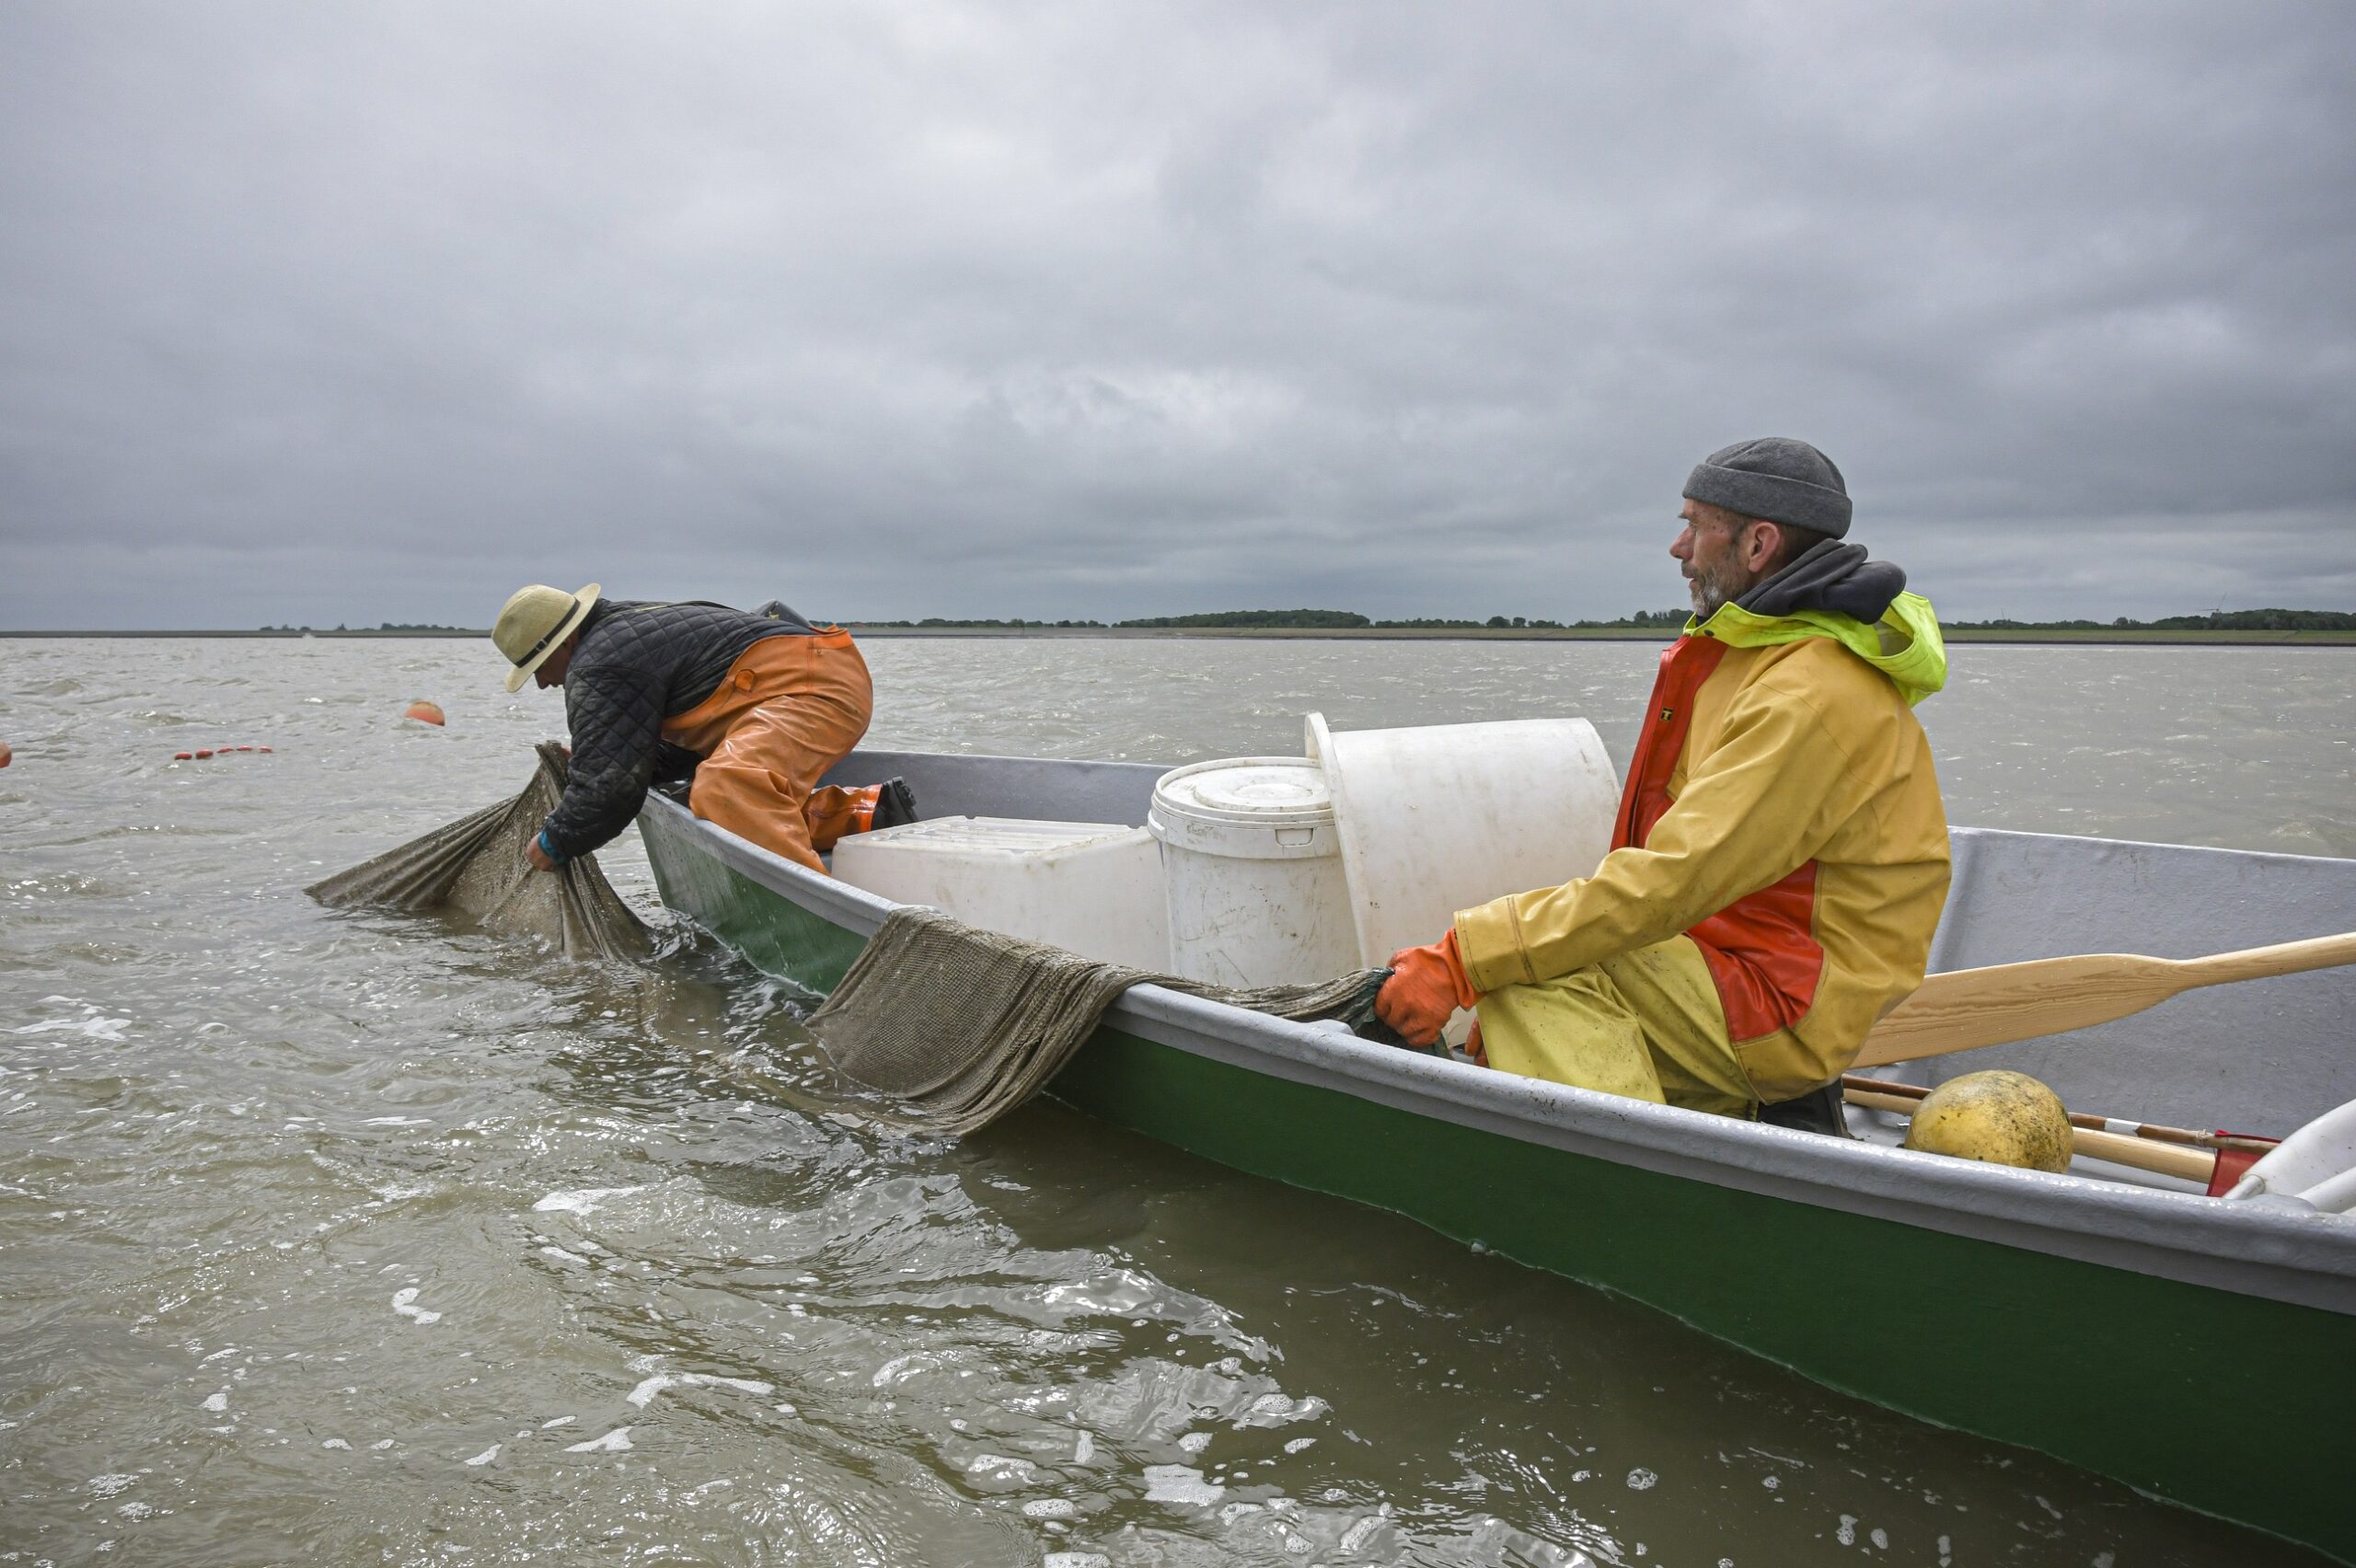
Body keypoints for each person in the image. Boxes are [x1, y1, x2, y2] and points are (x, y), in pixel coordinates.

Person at [1374, 438, 1950, 1121]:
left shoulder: (1807, 694)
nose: (1680, 548)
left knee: (1533, 985)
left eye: (1696, 525)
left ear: (1758, 543)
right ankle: (1705, 1116)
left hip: (1784, 1000)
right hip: (1726, 959)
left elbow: (1670, 881)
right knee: (1534, 967)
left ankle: (1638, 1191)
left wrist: (1459, 960)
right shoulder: (1754, 659)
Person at [491, 583, 913, 875]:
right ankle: (867, 813)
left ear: (564, 642)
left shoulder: (599, 661)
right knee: (716, 788)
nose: (545, 682)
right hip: (808, 679)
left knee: (729, 784)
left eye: (539, 668)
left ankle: (825, 911)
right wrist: (610, 759)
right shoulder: (618, 636)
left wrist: (554, 842)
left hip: (814, 688)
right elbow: (681, 748)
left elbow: (611, 792)